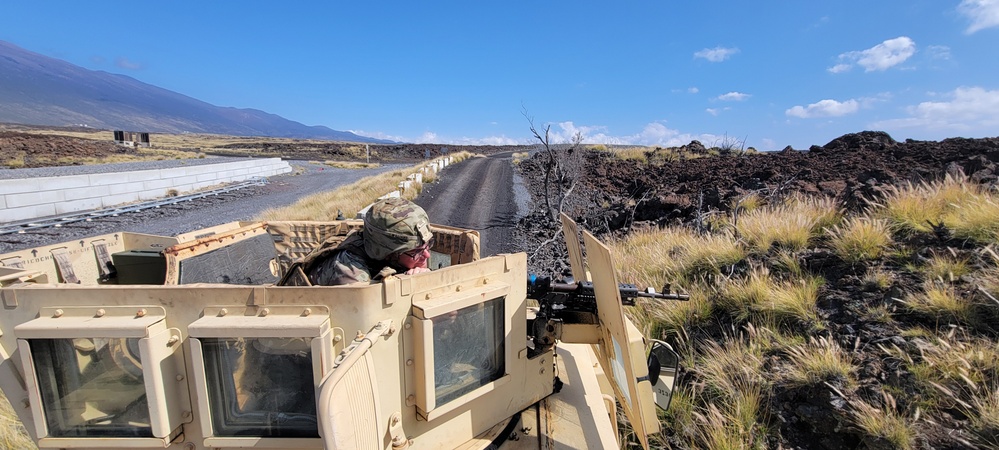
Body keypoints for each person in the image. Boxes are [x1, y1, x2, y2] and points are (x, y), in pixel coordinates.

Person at [303, 197, 434, 286]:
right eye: (416, 251)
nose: (427, 255)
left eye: (427, 245)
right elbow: (372, 320)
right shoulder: (350, 271)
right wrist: (410, 282)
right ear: (387, 253)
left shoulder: (404, 257)